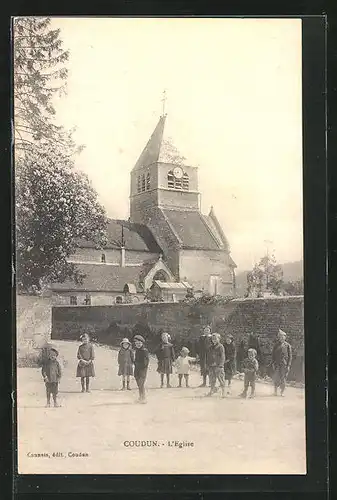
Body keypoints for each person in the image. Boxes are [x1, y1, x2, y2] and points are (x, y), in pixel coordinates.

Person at [271, 329, 292, 396]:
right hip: (277, 364)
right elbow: (273, 355)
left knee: (283, 378)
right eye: (280, 337)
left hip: (284, 365)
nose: (281, 338)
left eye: (283, 337)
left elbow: (290, 356)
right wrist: (273, 363)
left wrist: (288, 365)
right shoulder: (276, 345)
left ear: (285, 337)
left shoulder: (287, 345)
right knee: (276, 377)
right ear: (278, 338)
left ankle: (282, 392)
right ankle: (275, 391)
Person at [206, 333, 226, 398]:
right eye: (212, 339)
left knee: (221, 379)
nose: (214, 340)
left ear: (219, 339)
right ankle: (212, 390)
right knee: (212, 379)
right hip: (211, 366)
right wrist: (208, 364)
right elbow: (208, 356)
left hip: (218, 366)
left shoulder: (220, 346)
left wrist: (221, 365)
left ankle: (223, 392)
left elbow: (222, 356)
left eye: (215, 339)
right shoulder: (210, 347)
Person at [133, 335, 149, 403]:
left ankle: (143, 397)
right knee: (139, 384)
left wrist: (138, 364)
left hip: (142, 370)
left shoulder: (144, 351)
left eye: (139, 343)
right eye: (136, 343)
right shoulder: (137, 350)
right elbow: (136, 360)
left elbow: (146, 362)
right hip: (137, 370)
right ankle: (140, 397)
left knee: (141, 384)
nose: (138, 345)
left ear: (142, 343)